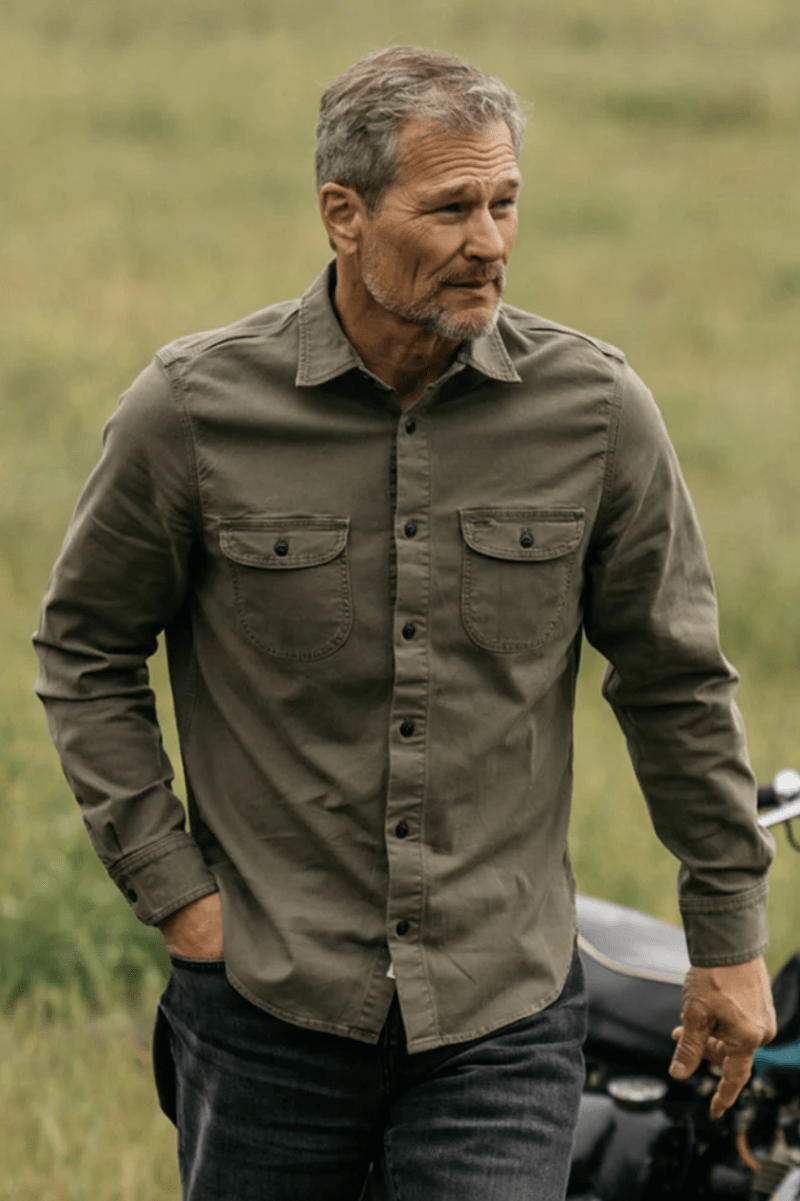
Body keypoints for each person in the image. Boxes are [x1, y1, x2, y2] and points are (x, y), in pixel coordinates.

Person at [34, 45, 776, 1201]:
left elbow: (673, 679)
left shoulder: (594, 412)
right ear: (343, 214)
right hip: (266, 1004)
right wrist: (176, 893)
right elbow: (82, 651)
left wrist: (726, 936)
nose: (489, 240)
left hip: (502, 1012)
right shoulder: (189, 411)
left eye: (504, 201)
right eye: (449, 207)